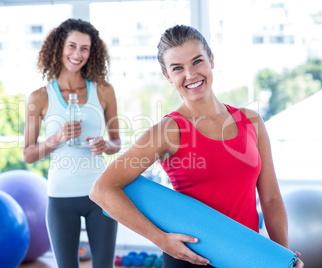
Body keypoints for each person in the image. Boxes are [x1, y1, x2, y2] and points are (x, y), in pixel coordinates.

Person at [90, 25, 304, 268]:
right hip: (190, 258)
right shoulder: (167, 131)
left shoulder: (251, 122)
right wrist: (160, 239)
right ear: (167, 76)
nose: (190, 75)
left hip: (245, 255)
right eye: (178, 68)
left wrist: (282, 257)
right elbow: (102, 190)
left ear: (211, 60)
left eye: (197, 61)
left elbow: (272, 198)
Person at [23, 18, 120, 268]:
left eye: (85, 48)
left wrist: (105, 146)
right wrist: (56, 138)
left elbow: (116, 141)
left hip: (101, 193)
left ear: (92, 52)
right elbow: (29, 154)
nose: (78, 54)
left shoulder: (104, 91)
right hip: (61, 196)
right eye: (72, 46)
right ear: (59, 47)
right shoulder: (40, 97)